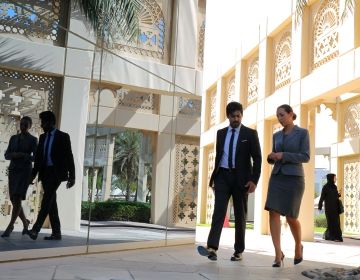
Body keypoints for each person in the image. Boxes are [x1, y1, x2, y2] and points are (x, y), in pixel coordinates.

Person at [197, 101, 262, 261]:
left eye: (238, 116)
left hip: (242, 180)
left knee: (240, 215)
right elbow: (219, 156)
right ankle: (212, 247)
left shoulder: (250, 134)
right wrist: (215, 178)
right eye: (233, 116)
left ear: (241, 116)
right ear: (228, 116)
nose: (236, 119)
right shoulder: (221, 133)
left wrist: (254, 180)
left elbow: (258, 158)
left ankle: (238, 251)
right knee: (218, 211)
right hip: (223, 177)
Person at [265, 104, 310, 267]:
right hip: (277, 177)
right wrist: (272, 157)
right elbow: (274, 155)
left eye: (282, 115)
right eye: (278, 115)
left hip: (294, 179)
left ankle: (298, 245)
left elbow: (305, 156)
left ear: (291, 114)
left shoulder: (302, 133)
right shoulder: (276, 135)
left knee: (291, 217)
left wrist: (283, 155)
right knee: (273, 212)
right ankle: (278, 253)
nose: (280, 118)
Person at [27, 111, 75, 240]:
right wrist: (32, 176)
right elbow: (38, 159)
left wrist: (72, 176)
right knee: (51, 202)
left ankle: (36, 229)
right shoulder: (42, 137)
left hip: (57, 173)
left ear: (50, 122)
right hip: (45, 173)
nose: (42, 125)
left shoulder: (63, 136)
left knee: (46, 199)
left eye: (43, 122)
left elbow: (69, 156)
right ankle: (56, 232)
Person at [1, 116, 37, 238]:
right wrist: (15, 155)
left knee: (17, 198)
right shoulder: (13, 138)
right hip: (13, 171)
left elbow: (36, 157)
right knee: (13, 198)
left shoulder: (33, 140)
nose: (23, 126)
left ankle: (10, 225)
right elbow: (7, 155)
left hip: (24, 172)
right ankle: (26, 223)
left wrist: (24, 156)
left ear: (30, 126)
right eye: (22, 124)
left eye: (26, 124)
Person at [318, 173, 343, 242]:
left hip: (335, 208)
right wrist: (320, 206)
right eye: (334, 178)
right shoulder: (325, 187)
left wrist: (339, 194)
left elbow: (334, 196)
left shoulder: (335, 187)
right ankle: (331, 236)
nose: (336, 179)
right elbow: (322, 197)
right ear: (330, 178)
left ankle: (337, 237)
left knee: (337, 222)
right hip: (329, 208)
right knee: (331, 222)